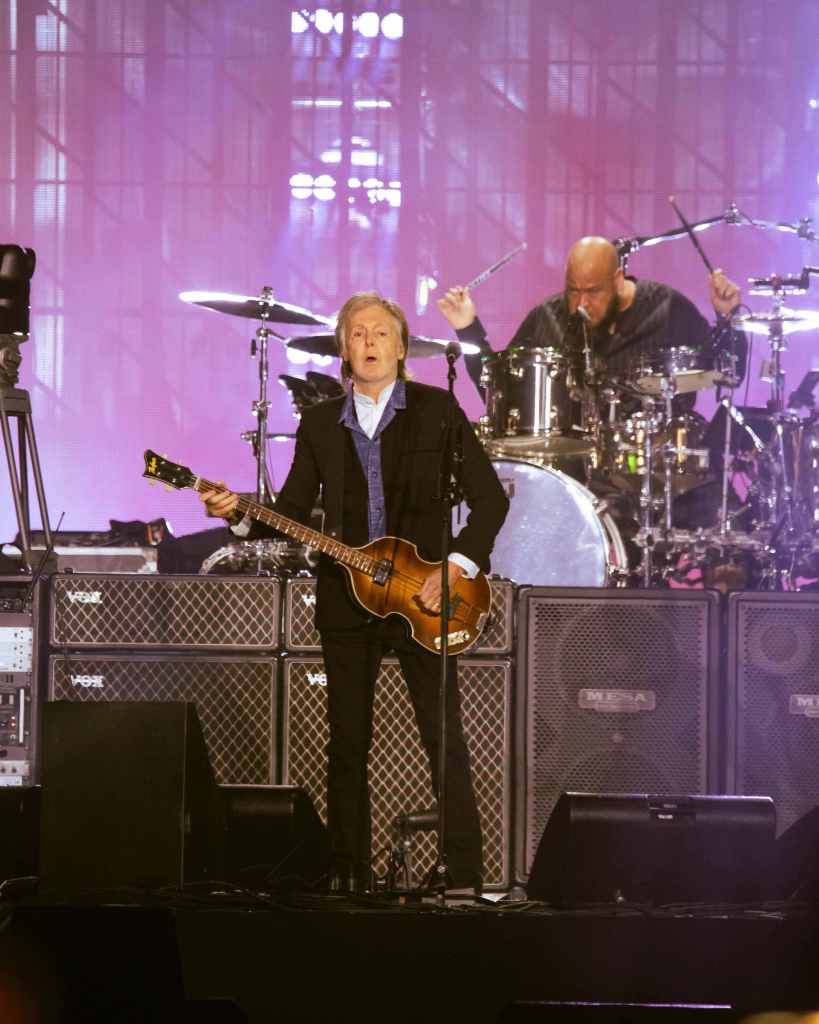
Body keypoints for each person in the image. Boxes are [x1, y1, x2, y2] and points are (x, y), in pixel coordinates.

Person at [200, 291, 509, 894]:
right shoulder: (318, 424)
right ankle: (349, 876)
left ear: (401, 347)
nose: (368, 343)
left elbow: (490, 501)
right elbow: (290, 512)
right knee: (347, 744)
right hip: (346, 599)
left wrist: (458, 563)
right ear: (343, 349)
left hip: (427, 595)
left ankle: (464, 878)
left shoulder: (438, 411)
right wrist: (238, 514)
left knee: (442, 738)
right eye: (358, 334)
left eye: (380, 334)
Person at [438, 235, 747, 536]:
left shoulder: (668, 309)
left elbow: (730, 370)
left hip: (662, 470)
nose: (582, 303)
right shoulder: (549, 317)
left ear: (617, 278)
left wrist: (729, 317)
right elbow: (503, 396)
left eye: (593, 291)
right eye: (573, 290)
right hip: (577, 479)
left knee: (729, 534)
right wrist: (468, 330)